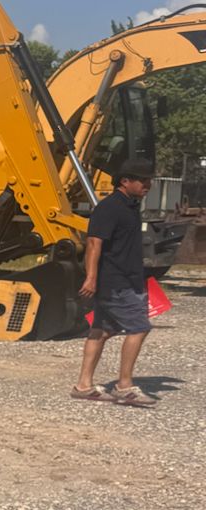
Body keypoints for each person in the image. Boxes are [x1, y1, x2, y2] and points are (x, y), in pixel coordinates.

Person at [72, 158, 158, 407]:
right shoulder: (109, 208)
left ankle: (83, 386)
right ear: (125, 181)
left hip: (128, 279)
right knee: (139, 328)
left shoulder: (131, 207)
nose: (148, 185)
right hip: (116, 281)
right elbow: (93, 243)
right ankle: (124, 386)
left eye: (149, 180)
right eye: (143, 181)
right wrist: (91, 278)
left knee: (101, 331)